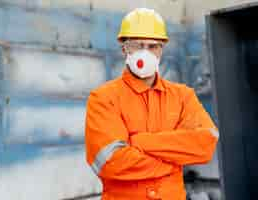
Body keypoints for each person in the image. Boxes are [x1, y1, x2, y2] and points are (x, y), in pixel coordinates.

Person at [85, 8, 219, 200]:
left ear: (161, 49)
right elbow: (111, 162)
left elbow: (205, 144)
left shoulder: (182, 96)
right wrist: (172, 161)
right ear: (124, 48)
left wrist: (140, 142)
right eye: (138, 45)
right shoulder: (103, 99)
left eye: (152, 46)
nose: (145, 53)